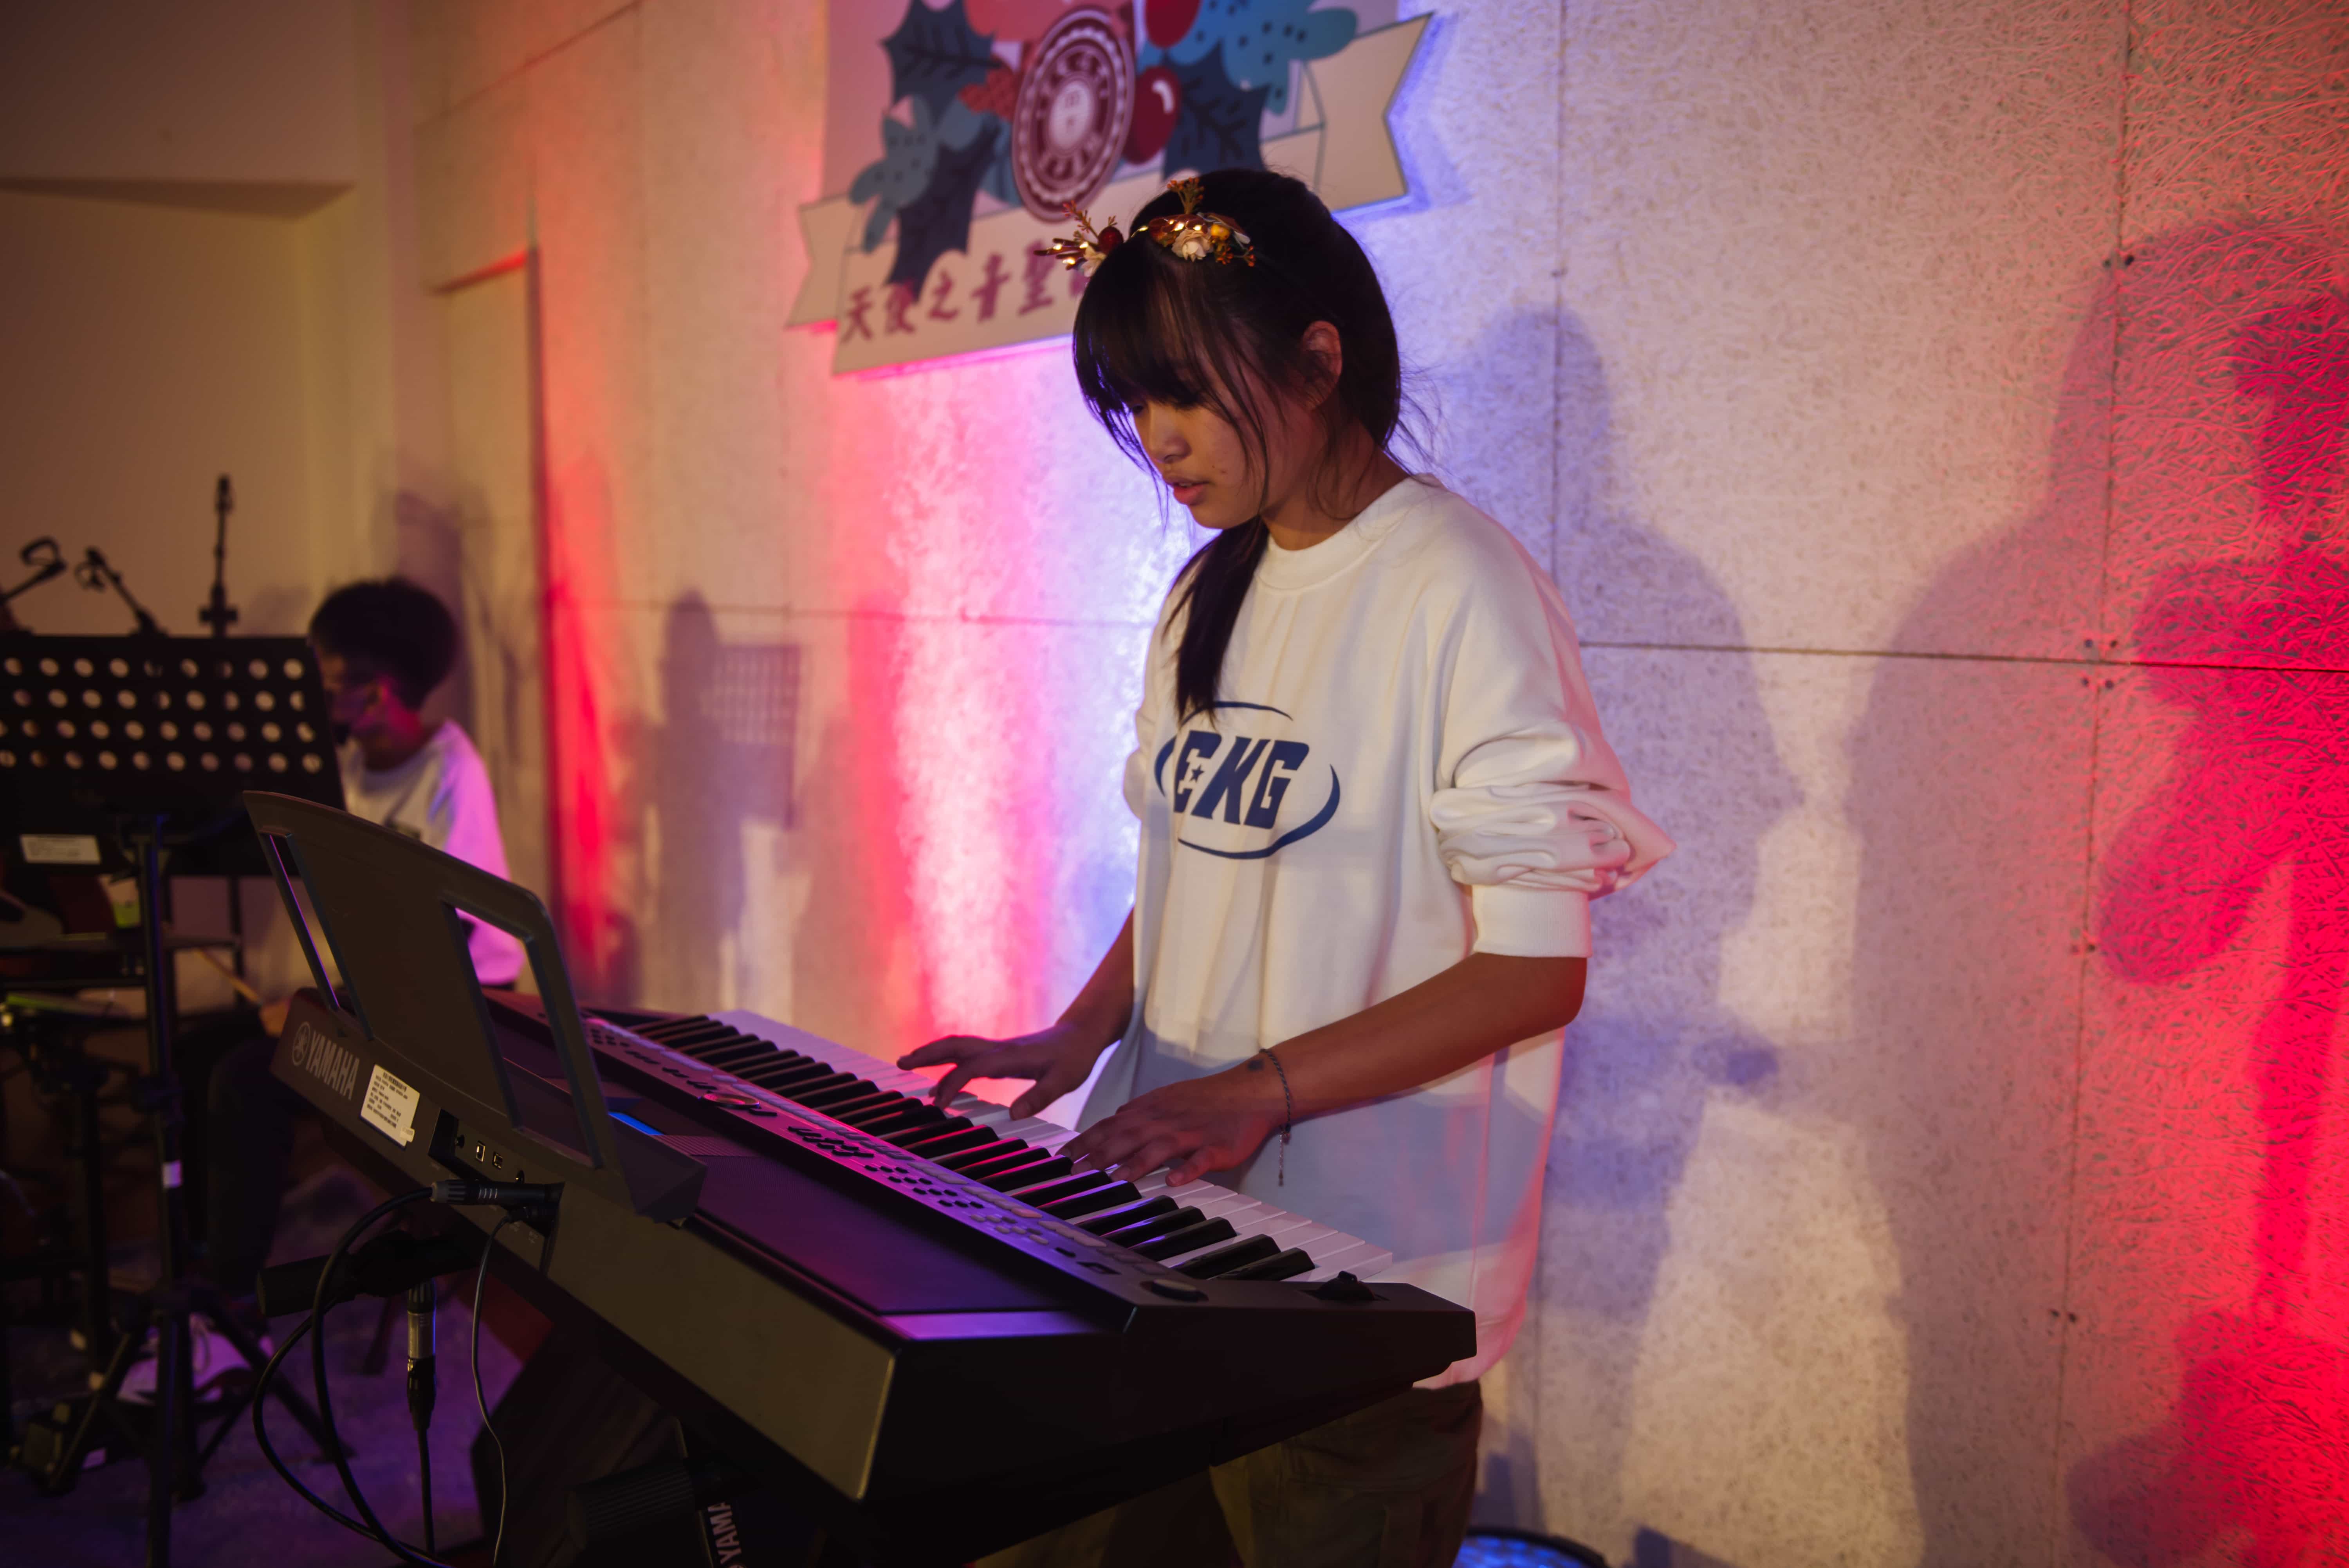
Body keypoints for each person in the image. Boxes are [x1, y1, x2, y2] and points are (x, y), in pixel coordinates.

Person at [900, 171, 1674, 1567]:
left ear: (1320, 359)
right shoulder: (1209, 588)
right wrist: (1084, 1029)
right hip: (1165, 1240)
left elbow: (1534, 969)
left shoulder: (1459, 582)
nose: (1160, 438)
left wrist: (1257, 1090)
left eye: (1186, 393)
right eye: (1135, 402)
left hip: (1360, 1288)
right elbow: (1192, 857)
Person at [152, 578, 522, 1397]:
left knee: (245, 1080)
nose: (313, 697)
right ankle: (206, 1277)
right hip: (373, 1002)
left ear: (378, 690)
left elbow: (446, 948)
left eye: (326, 681)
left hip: (457, 1023)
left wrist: (327, 1009)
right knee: (192, 1053)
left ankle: (234, 1317)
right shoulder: (348, 767)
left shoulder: (450, 774)